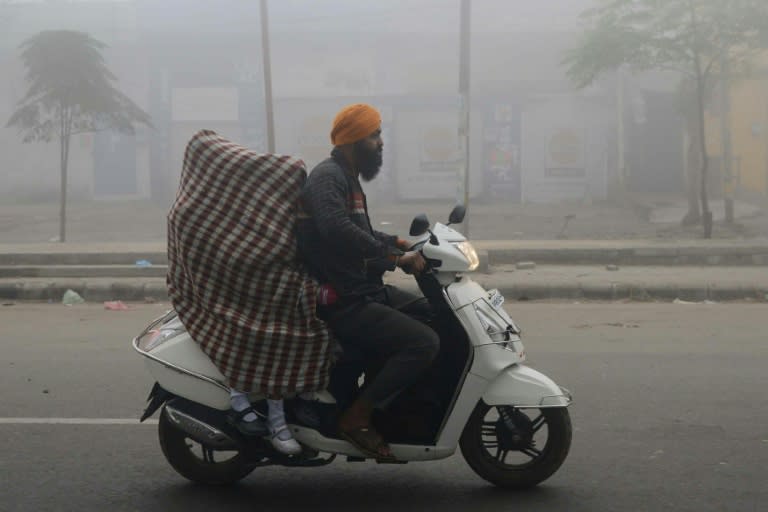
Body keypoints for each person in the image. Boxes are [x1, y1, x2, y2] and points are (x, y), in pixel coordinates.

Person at [296, 103, 440, 460]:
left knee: (435, 313)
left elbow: (358, 231)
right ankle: (357, 417)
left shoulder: (348, 177)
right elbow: (335, 228)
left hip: (365, 289)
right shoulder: (328, 176)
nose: (380, 143)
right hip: (345, 298)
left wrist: (397, 243)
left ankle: (397, 406)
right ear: (353, 139)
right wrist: (394, 258)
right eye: (375, 135)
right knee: (423, 343)